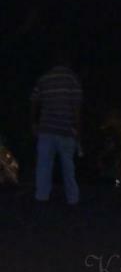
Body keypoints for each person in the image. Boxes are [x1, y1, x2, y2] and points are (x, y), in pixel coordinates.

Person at [30, 52, 82, 205]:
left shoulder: (44, 79)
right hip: (66, 129)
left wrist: (33, 122)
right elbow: (77, 107)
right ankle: (72, 199)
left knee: (44, 165)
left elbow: (33, 101)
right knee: (68, 167)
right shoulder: (72, 79)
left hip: (46, 128)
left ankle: (41, 197)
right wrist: (79, 130)